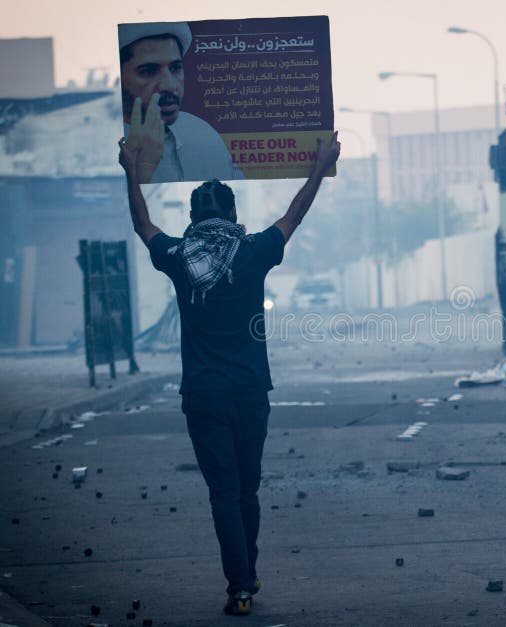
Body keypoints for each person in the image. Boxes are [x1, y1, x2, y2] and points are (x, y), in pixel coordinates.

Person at [118, 131, 340, 615]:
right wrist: (320, 166)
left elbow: (142, 224)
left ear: (194, 221)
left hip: (202, 395)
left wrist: (130, 172)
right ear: (235, 217)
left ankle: (240, 583)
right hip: (249, 393)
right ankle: (248, 572)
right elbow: (293, 215)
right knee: (246, 488)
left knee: (223, 491)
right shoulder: (254, 250)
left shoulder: (179, 257)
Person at [119, 22, 244, 183]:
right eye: (148, 71)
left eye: (175, 68)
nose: (170, 85)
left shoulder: (201, 131)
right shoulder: (103, 147)